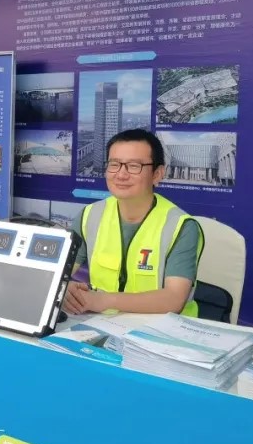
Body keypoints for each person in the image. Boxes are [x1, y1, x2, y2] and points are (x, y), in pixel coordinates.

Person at [63, 128, 204, 316]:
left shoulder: (181, 226)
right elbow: (57, 273)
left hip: (160, 330)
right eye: (114, 164)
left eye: (134, 166)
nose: (121, 174)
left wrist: (103, 300)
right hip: (99, 325)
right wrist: (64, 288)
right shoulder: (90, 215)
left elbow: (174, 299)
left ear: (157, 174)